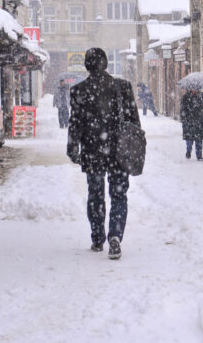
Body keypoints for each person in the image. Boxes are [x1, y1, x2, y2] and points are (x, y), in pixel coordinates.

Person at [67, 47, 140, 260]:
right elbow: (134, 122)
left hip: (93, 151)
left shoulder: (79, 90)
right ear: (106, 64)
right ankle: (115, 235)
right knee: (119, 194)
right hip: (119, 151)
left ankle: (98, 237)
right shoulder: (122, 87)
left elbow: (75, 123)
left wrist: (72, 147)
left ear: (87, 65)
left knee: (95, 195)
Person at [180, 89, 203, 161]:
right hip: (189, 121)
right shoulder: (186, 97)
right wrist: (184, 118)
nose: (195, 90)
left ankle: (199, 155)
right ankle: (189, 150)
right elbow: (182, 109)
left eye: (196, 88)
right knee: (189, 140)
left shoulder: (202, 96)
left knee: (199, 139)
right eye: (193, 89)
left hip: (199, 120)